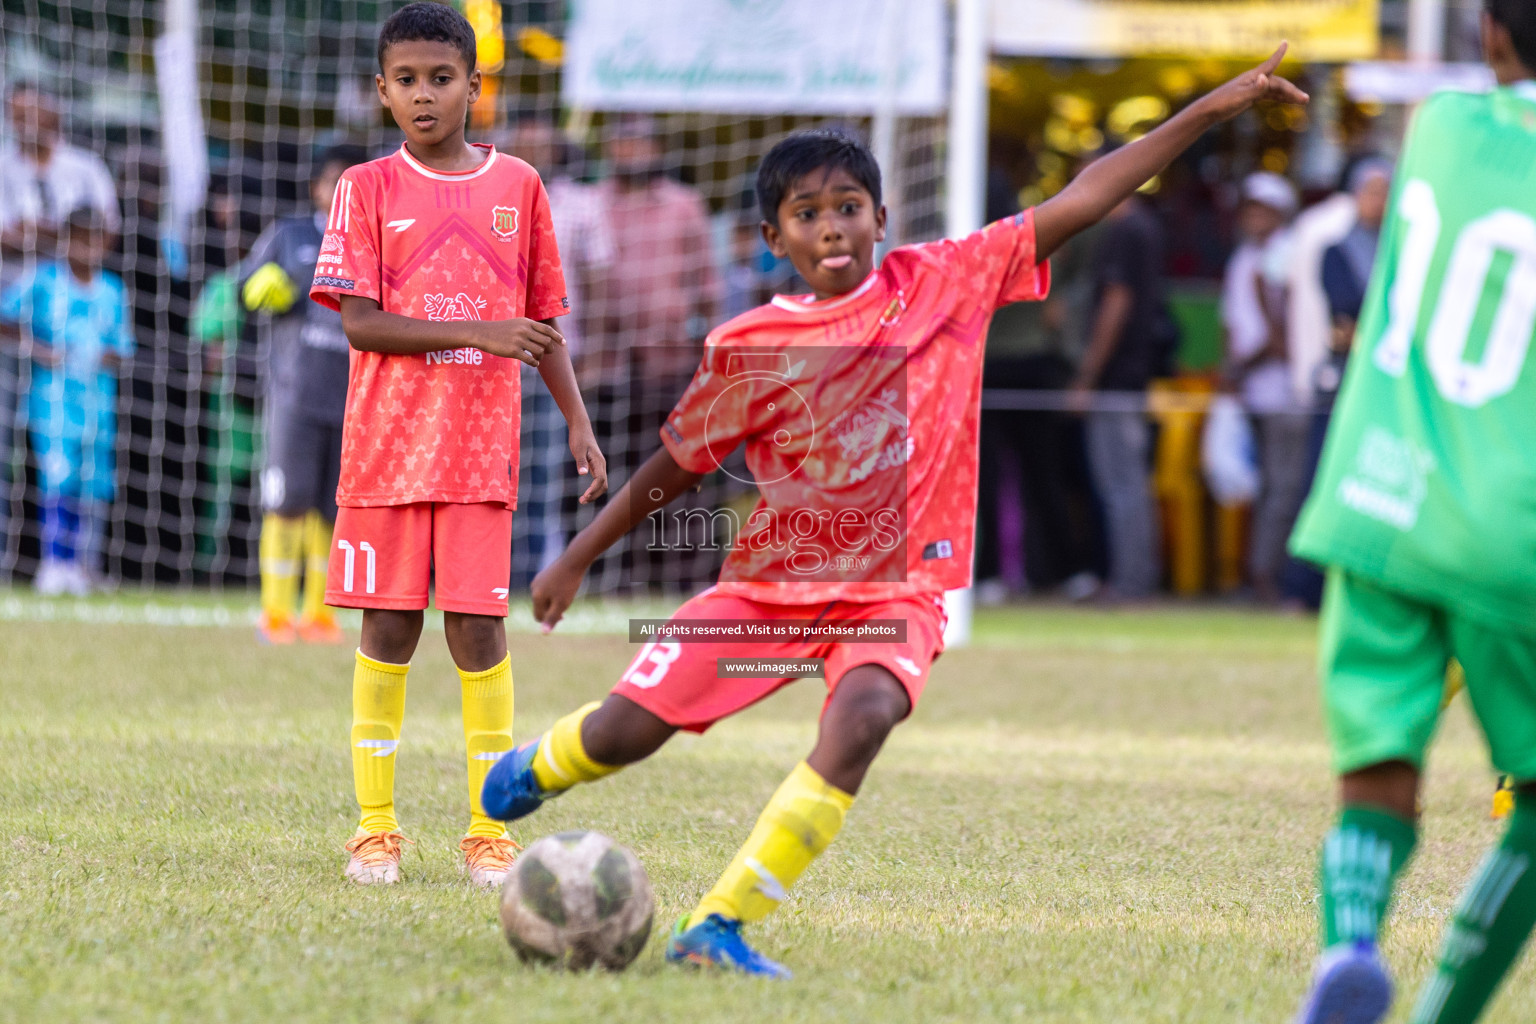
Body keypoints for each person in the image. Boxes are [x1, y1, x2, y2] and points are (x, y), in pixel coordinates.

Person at [481, 50, 1306, 976]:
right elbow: (680, 465)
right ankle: (541, 766)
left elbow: (1090, 193)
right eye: (807, 214)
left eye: (847, 208)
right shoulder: (752, 343)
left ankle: (720, 923)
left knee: (868, 711)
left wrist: (1215, 103)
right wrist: (578, 556)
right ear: (772, 236)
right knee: (623, 735)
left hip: (896, 590)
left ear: (880, 216)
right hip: (766, 596)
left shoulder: (948, 280)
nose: (831, 227)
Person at [308, 3, 607, 890]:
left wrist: (581, 423)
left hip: (481, 453)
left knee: (479, 631)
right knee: (390, 626)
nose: (425, 94)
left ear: (476, 85)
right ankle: (373, 831)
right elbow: (359, 324)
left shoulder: (519, 186)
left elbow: (542, 321)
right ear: (382, 91)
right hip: (385, 452)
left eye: (442, 78)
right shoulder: (366, 188)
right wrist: (481, 331)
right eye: (406, 80)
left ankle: (488, 832)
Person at [1287, 4, 1536, 1022]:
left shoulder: (1434, 128)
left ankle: (1349, 941)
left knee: (1378, 758)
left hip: (1379, 498)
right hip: (1508, 518)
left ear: (1490, 33)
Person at [584, 113, 722, 591]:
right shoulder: (594, 205)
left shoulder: (684, 206)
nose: (632, 151)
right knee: (614, 473)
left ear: (656, 148)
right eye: (623, 142)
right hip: (609, 367)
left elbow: (708, 288)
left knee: (680, 475)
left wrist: (707, 358)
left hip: (672, 363)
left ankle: (688, 577)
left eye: (640, 142)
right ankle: (615, 578)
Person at [243, 144, 369, 644]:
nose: (341, 193)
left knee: (332, 509)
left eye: (351, 184)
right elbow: (245, 287)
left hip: (353, 401)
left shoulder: (375, 245)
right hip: (294, 396)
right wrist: (258, 286)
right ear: (316, 187)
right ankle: (275, 612)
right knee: (287, 501)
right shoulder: (288, 235)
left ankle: (320, 615)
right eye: (333, 182)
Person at [497, 116, 614, 584]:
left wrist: (593, 351)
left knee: (545, 469)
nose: (534, 149)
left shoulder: (582, 205)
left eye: (542, 142)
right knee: (494, 467)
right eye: (524, 139)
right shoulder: (493, 195)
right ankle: (492, 568)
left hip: (554, 357)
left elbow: (600, 279)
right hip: (491, 356)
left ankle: (537, 571)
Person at [0, 209, 132, 595]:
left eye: (95, 239)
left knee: (95, 486)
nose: (87, 247)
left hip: (98, 407)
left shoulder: (112, 290)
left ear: (106, 242)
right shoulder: (44, 280)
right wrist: (38, 348)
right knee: (59, 481)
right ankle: (54, 564)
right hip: (54, 404)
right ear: (64, 240)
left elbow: (123, 347)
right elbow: (5, 317)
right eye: (79, 238)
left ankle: (87, 568)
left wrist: (104, 355)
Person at [1067, 190, 1172, 600]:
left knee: (1121, 485)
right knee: (1128, 484)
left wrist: (1088, 374)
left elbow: (1117, 301)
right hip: (1132, 377)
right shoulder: (1143, 228)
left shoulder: (1125, 231)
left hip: (1117, 381)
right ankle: (1133, 576)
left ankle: (1131, 581)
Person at [1222, 171, 1303, 602]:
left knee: (1283, 487)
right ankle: (1259, 573)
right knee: (1264, 487)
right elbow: (1232, 326)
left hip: (1285, 390)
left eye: (1263, 209)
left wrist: (1241, 367)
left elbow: (1279, 335)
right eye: (1249, 208)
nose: (1254, 217)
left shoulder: (1287, 253)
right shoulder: (1243, 258)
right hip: (1254, 390)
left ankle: (1270, 577)